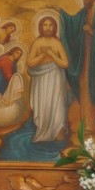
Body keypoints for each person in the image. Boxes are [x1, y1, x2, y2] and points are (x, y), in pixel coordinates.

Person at [26, 15, 73, 144]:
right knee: (44, 105)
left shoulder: (57, 43)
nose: (48, 28)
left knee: (57, 105)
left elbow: (65, 63)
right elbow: (30, 63)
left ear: (55, 27)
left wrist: (51, 53)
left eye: (50, 25)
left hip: (56, 78)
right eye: (45, 25)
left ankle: (59, 133)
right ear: (41, 27)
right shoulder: (37, 42)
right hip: (41, 80)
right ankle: (43, 132)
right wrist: (43, 54)